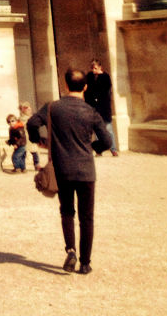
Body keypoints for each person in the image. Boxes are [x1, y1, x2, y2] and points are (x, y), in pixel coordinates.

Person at [28, 68, 112, 274]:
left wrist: (39, 140)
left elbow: (32, 123)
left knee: (67, 211)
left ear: (65, 85)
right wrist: (93, 148)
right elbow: (107, 141)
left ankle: (71, 250)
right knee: (87, 217)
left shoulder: (53, 107)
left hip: (62, 168)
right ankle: (85, 263)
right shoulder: (91, 111)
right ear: (85, 87)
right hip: (85, 169)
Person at [84, 59, 119, 156]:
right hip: (93, 107)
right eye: (92, 68)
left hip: (104, 107)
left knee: (108, 128)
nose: (93, 70)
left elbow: (105, 91)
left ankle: (113, 149)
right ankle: (99, 150)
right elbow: (87, 91)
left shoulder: (105, 77)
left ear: (100, 67)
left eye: (95, 68)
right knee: (97, 130)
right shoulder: (90, 77)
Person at [20, 101, 40, 170]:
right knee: (23, 152)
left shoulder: (31, 117)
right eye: (27, 109)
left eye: (30, 109)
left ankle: (36, 164)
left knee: (34, 151)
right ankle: (22, 166)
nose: (30, 110)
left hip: (31, 136)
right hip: (25, 137)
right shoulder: (22, 119)